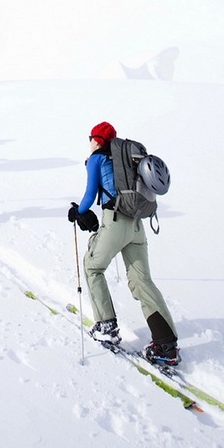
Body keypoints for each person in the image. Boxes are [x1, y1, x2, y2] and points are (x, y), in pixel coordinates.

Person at [68, 121, 180, 366]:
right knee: (142, 281)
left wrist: (79, 211)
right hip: (138, 225)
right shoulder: (128, 160)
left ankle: (106, 325)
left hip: (116, 220)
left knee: (92, 267)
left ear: (97, 140)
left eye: (91, 137)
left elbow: (89, 195)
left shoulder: (97, 158)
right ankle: (166, 344)